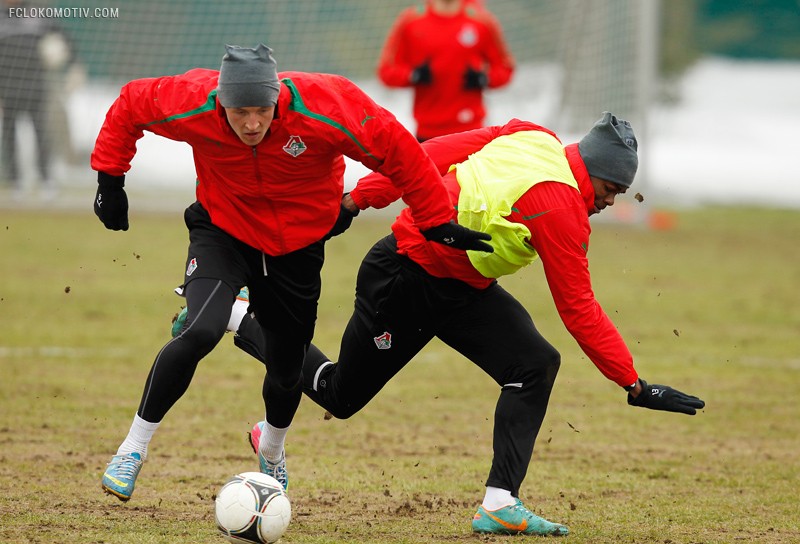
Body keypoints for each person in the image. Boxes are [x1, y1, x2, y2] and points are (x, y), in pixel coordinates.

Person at [207, 112, 705, 536]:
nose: (610, 201)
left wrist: (361, 199)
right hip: (403, 277)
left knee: (534, 364)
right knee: (340, 396)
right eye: (610, 188)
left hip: (464, 288)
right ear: (592, 170)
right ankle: (237, 315)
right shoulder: (560, 208)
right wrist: (634, 384)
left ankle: (499, 503)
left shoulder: (532, 135)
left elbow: (429, 151)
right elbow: (578, 308)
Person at [92, 43, 492, 502]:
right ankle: (132, 450)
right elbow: (129, 104)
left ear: (277, 97)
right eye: (240, 112)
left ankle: (273, 452)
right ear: (221, 102)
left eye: (262, 110)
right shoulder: (192, 100)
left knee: (286, 370)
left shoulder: (328, 104)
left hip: (296, 247)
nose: (252, 123)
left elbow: (400, 151)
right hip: (223, 229)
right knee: (200, 330)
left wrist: (436, 219)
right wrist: (110, 179)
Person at [377, 0, 515, 141]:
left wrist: (484, 79)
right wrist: (413, 75)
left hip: (472, 129)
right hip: (428, 132)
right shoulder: (411, 21)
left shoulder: (481, 21)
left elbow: (505, 69)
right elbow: (386, 71)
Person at [0, 0, 79, 198]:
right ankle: (16, 182)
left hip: (35, 86)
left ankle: (46, 180)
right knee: (9, 134)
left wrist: (75, 65)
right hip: (7, 88)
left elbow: (64, 39)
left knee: (41, 132)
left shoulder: (39, 14)